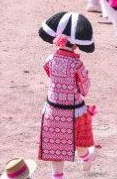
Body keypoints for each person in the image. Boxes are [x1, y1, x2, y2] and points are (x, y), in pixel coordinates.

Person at [38, 12, 99, 174]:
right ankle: (86, 159)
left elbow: (49, 75)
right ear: (76, 45)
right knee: (79, 142)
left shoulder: (50, 59)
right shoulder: (77, 65)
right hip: (74, 111)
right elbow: (85, 90)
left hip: (52, 110)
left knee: (55, 149)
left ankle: (57, 176)